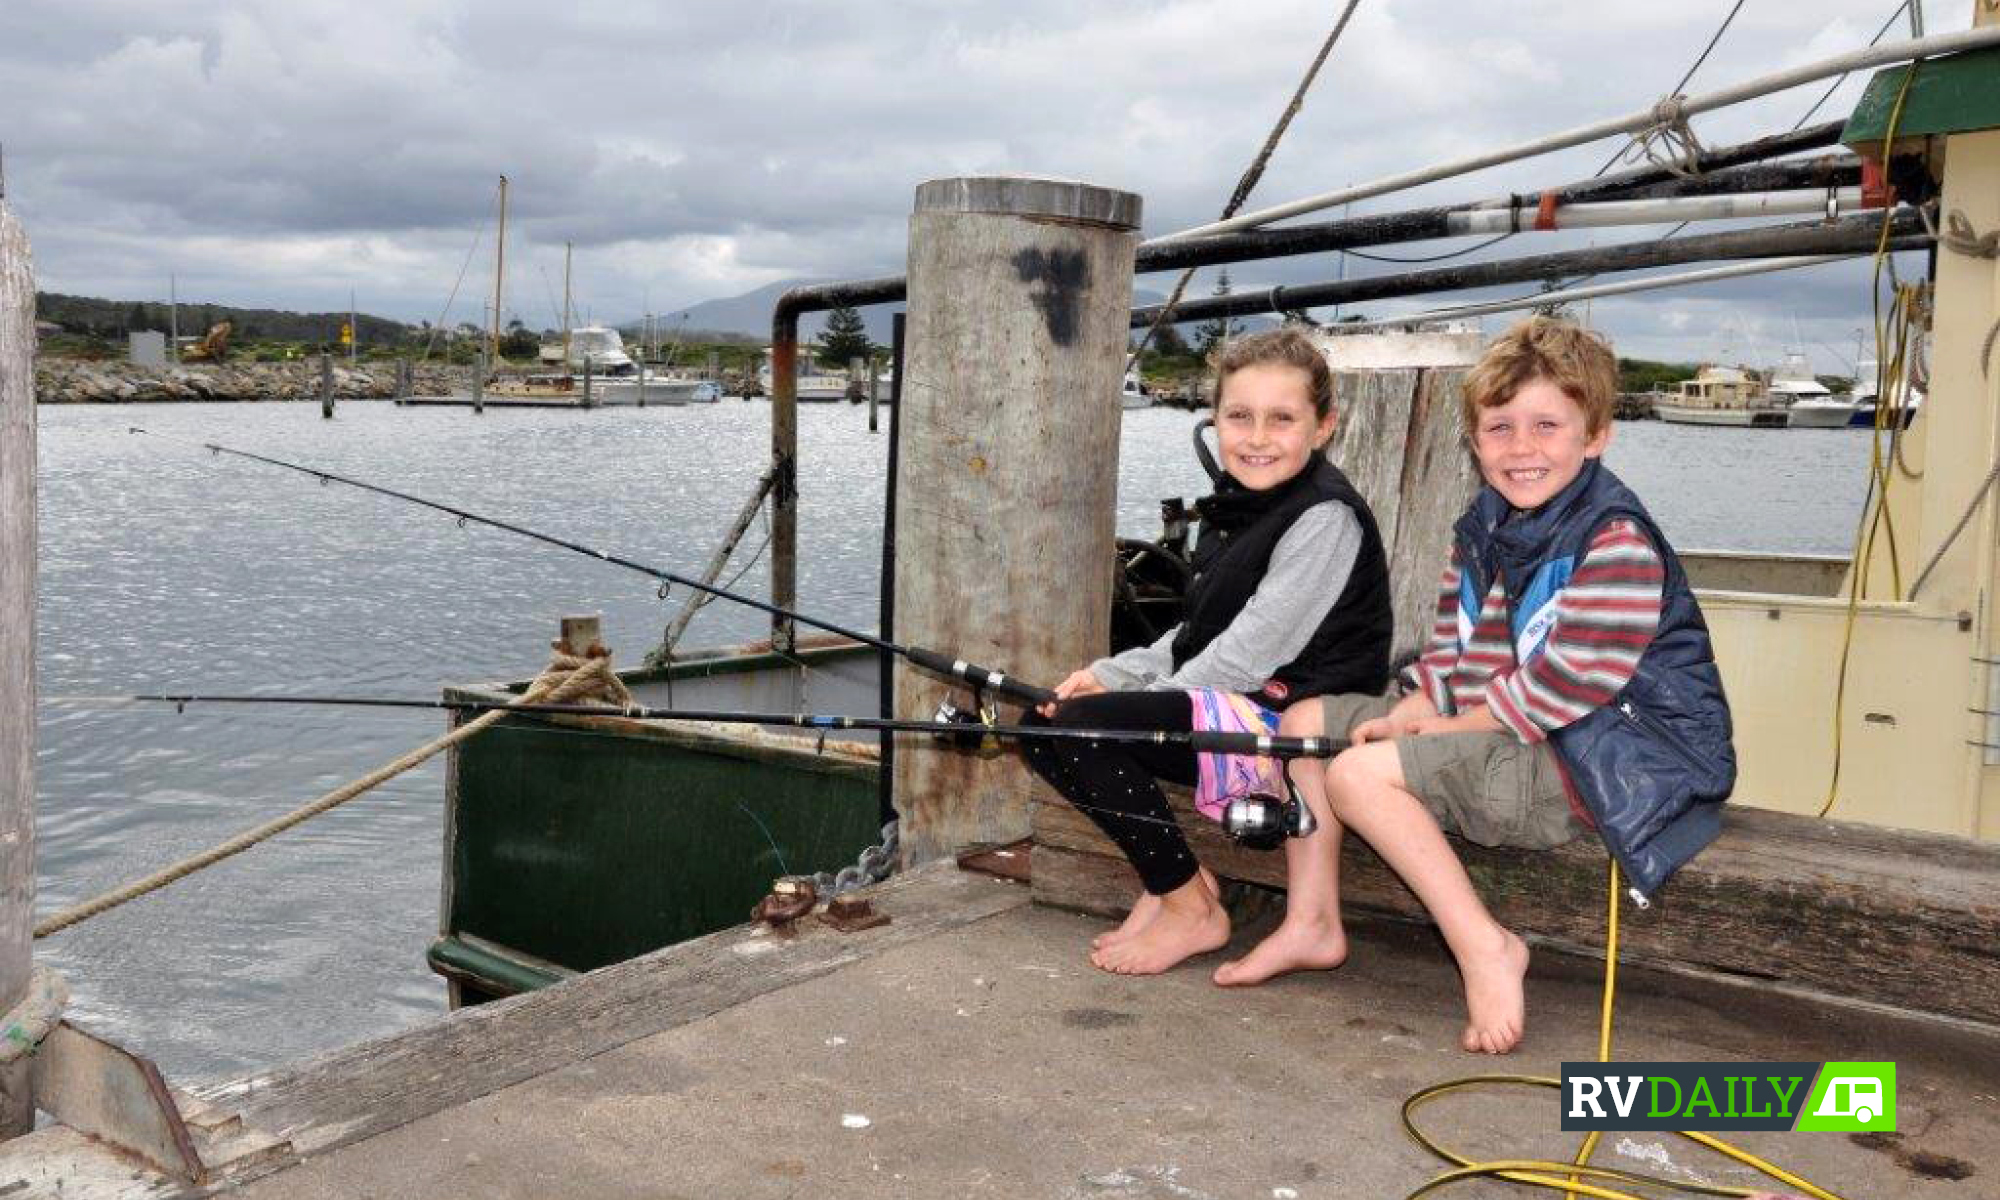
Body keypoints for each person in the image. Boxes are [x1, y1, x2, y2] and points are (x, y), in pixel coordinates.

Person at [1247, 317, 1733, 1053]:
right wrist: (1418, 707)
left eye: (1546, 425)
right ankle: (1311, 921)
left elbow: (1564, 688)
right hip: (1516, 729)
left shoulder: (1614, 541)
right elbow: (1457, 653)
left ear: (1595, 434)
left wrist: (1433, 734)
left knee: (1359, 777)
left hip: (1602, 761)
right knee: (1305, 723)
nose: (1522, 449)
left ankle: (1485, 946)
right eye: (1499, 428)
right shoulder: (1484, 525)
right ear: (1474, 441)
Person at [1021, 327, 1393, 977]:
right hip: (1229, 703)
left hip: (1291, 719)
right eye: (1239, 417)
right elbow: (1193, 636)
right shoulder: (1236, 510)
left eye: (1282, 420)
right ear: (1216, 419)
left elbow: (1246, 658)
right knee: (1044, 721)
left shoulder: (1323, 516)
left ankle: (1193, 910)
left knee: (1087, 729)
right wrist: (1105, 674)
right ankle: (1176, 889)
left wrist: (1124, 703)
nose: (1256, 437)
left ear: (1324, 426)